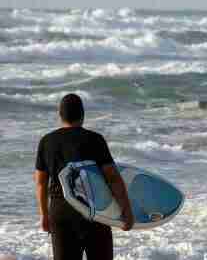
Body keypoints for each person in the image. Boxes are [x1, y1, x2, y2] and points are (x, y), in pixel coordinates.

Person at [35, 93, 134, 260]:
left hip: (61, 213)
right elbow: (112, 178)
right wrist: (126, 210)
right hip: (94, 211)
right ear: (82, 114)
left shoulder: (47, 141)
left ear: (60, 115)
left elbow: (40, 182)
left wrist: (44, 215)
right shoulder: (94, 139)